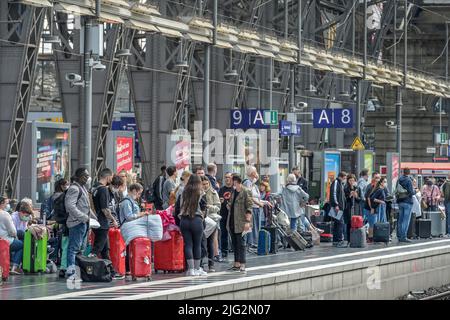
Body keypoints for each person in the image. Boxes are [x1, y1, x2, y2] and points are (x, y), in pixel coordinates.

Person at [91, 168, 122, 279]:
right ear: (108, 177)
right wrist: (113, 220)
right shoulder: (103, 189)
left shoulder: (94, 187)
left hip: (95, 221)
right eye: (111, 177)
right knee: (97, 249)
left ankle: (111, 271)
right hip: (102, 223)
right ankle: (87, 268)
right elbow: (105, 209)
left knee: (105, 249)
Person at [65, 168, 92, 279]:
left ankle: (76, 268)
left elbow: (87, 207)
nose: (87, 178)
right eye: (85, 176)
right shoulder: (74, 189)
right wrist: (83, 217)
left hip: (83, 222)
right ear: (79, 176)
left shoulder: (82, 188)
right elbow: (70, 206)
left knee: (80, 248)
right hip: (77, 223)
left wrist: (91, 219)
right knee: (73, 248)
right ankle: (71, 270)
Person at [179, 175, 208, 276]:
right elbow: (204, 208)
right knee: (197, 244)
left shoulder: (183, 192)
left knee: (188, 244)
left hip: (184, 220)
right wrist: (202, 218)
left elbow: (177, 208)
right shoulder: (201, 193)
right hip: (196, 220)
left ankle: (190, 270)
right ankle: (197, 268)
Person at [118, 183, 148, 278]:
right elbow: (129, 216)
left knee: (131, 248)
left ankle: (131, 268)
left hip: (132, 227)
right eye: (139, 193)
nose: (139, 196)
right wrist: (141, 214)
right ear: (134, 191)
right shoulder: (127, 202)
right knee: (128, 249)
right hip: (128, 228)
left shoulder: (132, 201)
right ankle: (128, 268)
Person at [227, 175, 253, 273]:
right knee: (234, 243)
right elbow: (232, 204)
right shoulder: (234, 192)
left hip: (241, 221)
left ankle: (242, 264)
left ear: (236, 181)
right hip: (233, 221)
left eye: (232, 180)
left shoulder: (246, 191)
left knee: (241, 243)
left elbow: (249, 207)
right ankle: (236, 263)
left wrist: (247, 222)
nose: (230, 182)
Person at [243, 166, 271, 248]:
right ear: (252, 173)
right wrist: (259, 204)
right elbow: (249, 196)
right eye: (255, 172)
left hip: (256, 208)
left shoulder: (254, 185)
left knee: (256, 227)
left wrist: (266, 202)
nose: (257, 174)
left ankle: (254, 242)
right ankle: (251, 243)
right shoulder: (248, 183)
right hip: (252, 208)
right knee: (252, 227)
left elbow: (257, 198)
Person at [201, 176, 221, 272]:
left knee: (210, 242)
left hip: (212, 220)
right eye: (203, 184)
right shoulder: (199, 193)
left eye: (206, 184)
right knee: (202, 242)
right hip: (202, 220)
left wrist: (210, 207)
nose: (205, 186)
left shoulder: (213, 193)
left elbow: (218, 207)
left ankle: (211, 264)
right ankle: (201, 264)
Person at [0, 195, 24, 275]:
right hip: (4, 240)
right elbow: (13, 231)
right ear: (2, 204)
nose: (8, 205)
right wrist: (14, 236)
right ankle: (14, 267)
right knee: (21, 245)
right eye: (6, 203)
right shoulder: (5, 214)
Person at [396, 168, 416, 243]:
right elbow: (411, 192)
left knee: (400, 220)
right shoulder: (408, 180)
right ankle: (403, 237)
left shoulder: (399, 179)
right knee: (406, 220)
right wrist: (415, 190)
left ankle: (399, 236)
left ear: (403, 172)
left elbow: (396, 190)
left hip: (400, 201)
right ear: (409, 172)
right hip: (407, 202)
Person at [329, 172, 347, 248]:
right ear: (341, 177)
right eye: (345, 178)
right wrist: (336, 204)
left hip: (339, 207)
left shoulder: (340, 184)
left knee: (337, 223)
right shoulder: (336, 182)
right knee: (340, 223)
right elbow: (334, 194)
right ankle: (339, 240)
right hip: (337, 207)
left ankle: (335, 240)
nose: (345, 179)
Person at [218, 172, 234, 259]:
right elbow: (218, 200)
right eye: (226, 177)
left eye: (229, 177)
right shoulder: (221, 189)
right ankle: (224, 251)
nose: (227, 179)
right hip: (223, 213)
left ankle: (235, 249)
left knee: (233, 233)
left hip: (232, 215)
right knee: (224, 233)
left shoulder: (234, 189)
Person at [367, 177, 388, 241]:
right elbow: (372, 198)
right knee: (377, 223)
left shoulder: (381, 189)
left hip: (380, 207)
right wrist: (381, 202)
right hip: (379, 208)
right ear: (381, 183)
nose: (385, 183)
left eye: (386, 182)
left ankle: (377, 237)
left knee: (378, 222)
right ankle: (375, 237)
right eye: (384, 182)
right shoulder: (380, 190)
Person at [344, 174, 359, 242]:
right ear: (348, 180)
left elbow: (360, 199)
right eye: (350, 180)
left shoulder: (357, 188)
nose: (352, 182)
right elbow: (345, 199)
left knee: (356, 223)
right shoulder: (346, 188)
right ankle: (348, 239)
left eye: (353, 180)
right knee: (349, 223)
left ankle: (355, 238)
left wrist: (356, 196)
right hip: (349, 207)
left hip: (355, 207)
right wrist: (350, 195)